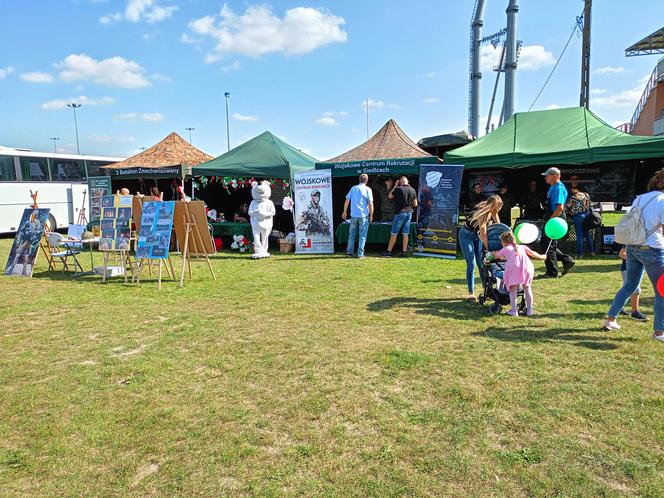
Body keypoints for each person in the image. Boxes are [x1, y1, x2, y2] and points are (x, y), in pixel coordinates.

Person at [603, 169, 664, 343]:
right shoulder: (663, 201)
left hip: (633, 247)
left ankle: (610, 319)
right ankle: (659, 331)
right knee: (661, 291)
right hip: (653, 249)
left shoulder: (640, 198)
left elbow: (631, 224)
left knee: (629, 285)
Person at [459, 195, 503, 302]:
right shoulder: (483, 214)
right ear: (492, 206)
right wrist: (488, 249)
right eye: (498, 208)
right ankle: (471, 293)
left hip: (476, 236)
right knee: (472, 264)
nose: (499, 210)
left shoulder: (492, 210)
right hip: (466, 235)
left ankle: (486, 290)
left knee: (482, 263)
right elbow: (483, 235)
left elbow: (498, 226)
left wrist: (502, 234)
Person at [493, 230, 546, 316]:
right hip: (527, 267)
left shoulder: (505, 249)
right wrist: (542, 257)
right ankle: (530, 310)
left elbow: (496, 256)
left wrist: (493, 254)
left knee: (513, 290)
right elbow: (532, 253)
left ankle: (514, 311)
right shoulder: (522, 247)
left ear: (504, 242)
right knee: (527, 288)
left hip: (514, 269)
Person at [540, 167, 575, 278]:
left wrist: (550, 221)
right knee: (547, 245)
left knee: (549, 245)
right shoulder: (552, 187)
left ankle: (552, 273)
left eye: (547, 175)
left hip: (555, 219)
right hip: (552, 218)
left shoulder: (558, 188)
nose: (545, 177)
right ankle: (567, 260)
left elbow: (559, 208)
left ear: (555, 176)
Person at [381, 176, 417, 257]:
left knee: (394, 233)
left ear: (400, 182)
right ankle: (404, 252)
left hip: (400, 213)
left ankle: (389, 251)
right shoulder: (413, 190)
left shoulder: (398, 189)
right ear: (407, 181)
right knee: (405, 233)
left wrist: (394, 186)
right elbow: (415, 204)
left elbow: (390, 196)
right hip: (409, 213)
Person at [342, 173, 374, 258]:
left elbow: (347, 200)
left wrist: (344, 211)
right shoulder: (368, 189)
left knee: (351, 234)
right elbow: (370, 203)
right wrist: (371, 215)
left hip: (354, 215)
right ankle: (360, 254)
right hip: (363, 215)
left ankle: (350, 252)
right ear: (366, 180)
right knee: (362, 235)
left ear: (359, 180)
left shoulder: (353, 188)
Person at [617, 246, 647, 321]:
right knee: (636, 289)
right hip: (627, 269)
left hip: (630, 269)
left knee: (626, 289)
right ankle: (635, 312)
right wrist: (635, 260)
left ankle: (619, 308)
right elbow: (621, 254)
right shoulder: (630, 240)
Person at [565, 185, 595, 258]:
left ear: (576, 189)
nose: (572, 191)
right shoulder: (586, 195)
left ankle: (580, 254)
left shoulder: (573, 197)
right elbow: (589, 205)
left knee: (579, 236)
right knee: (587, 235)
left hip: (578, 216)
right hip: (586, 215)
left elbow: (567, 207)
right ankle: (592, 252)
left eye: (573, 189)